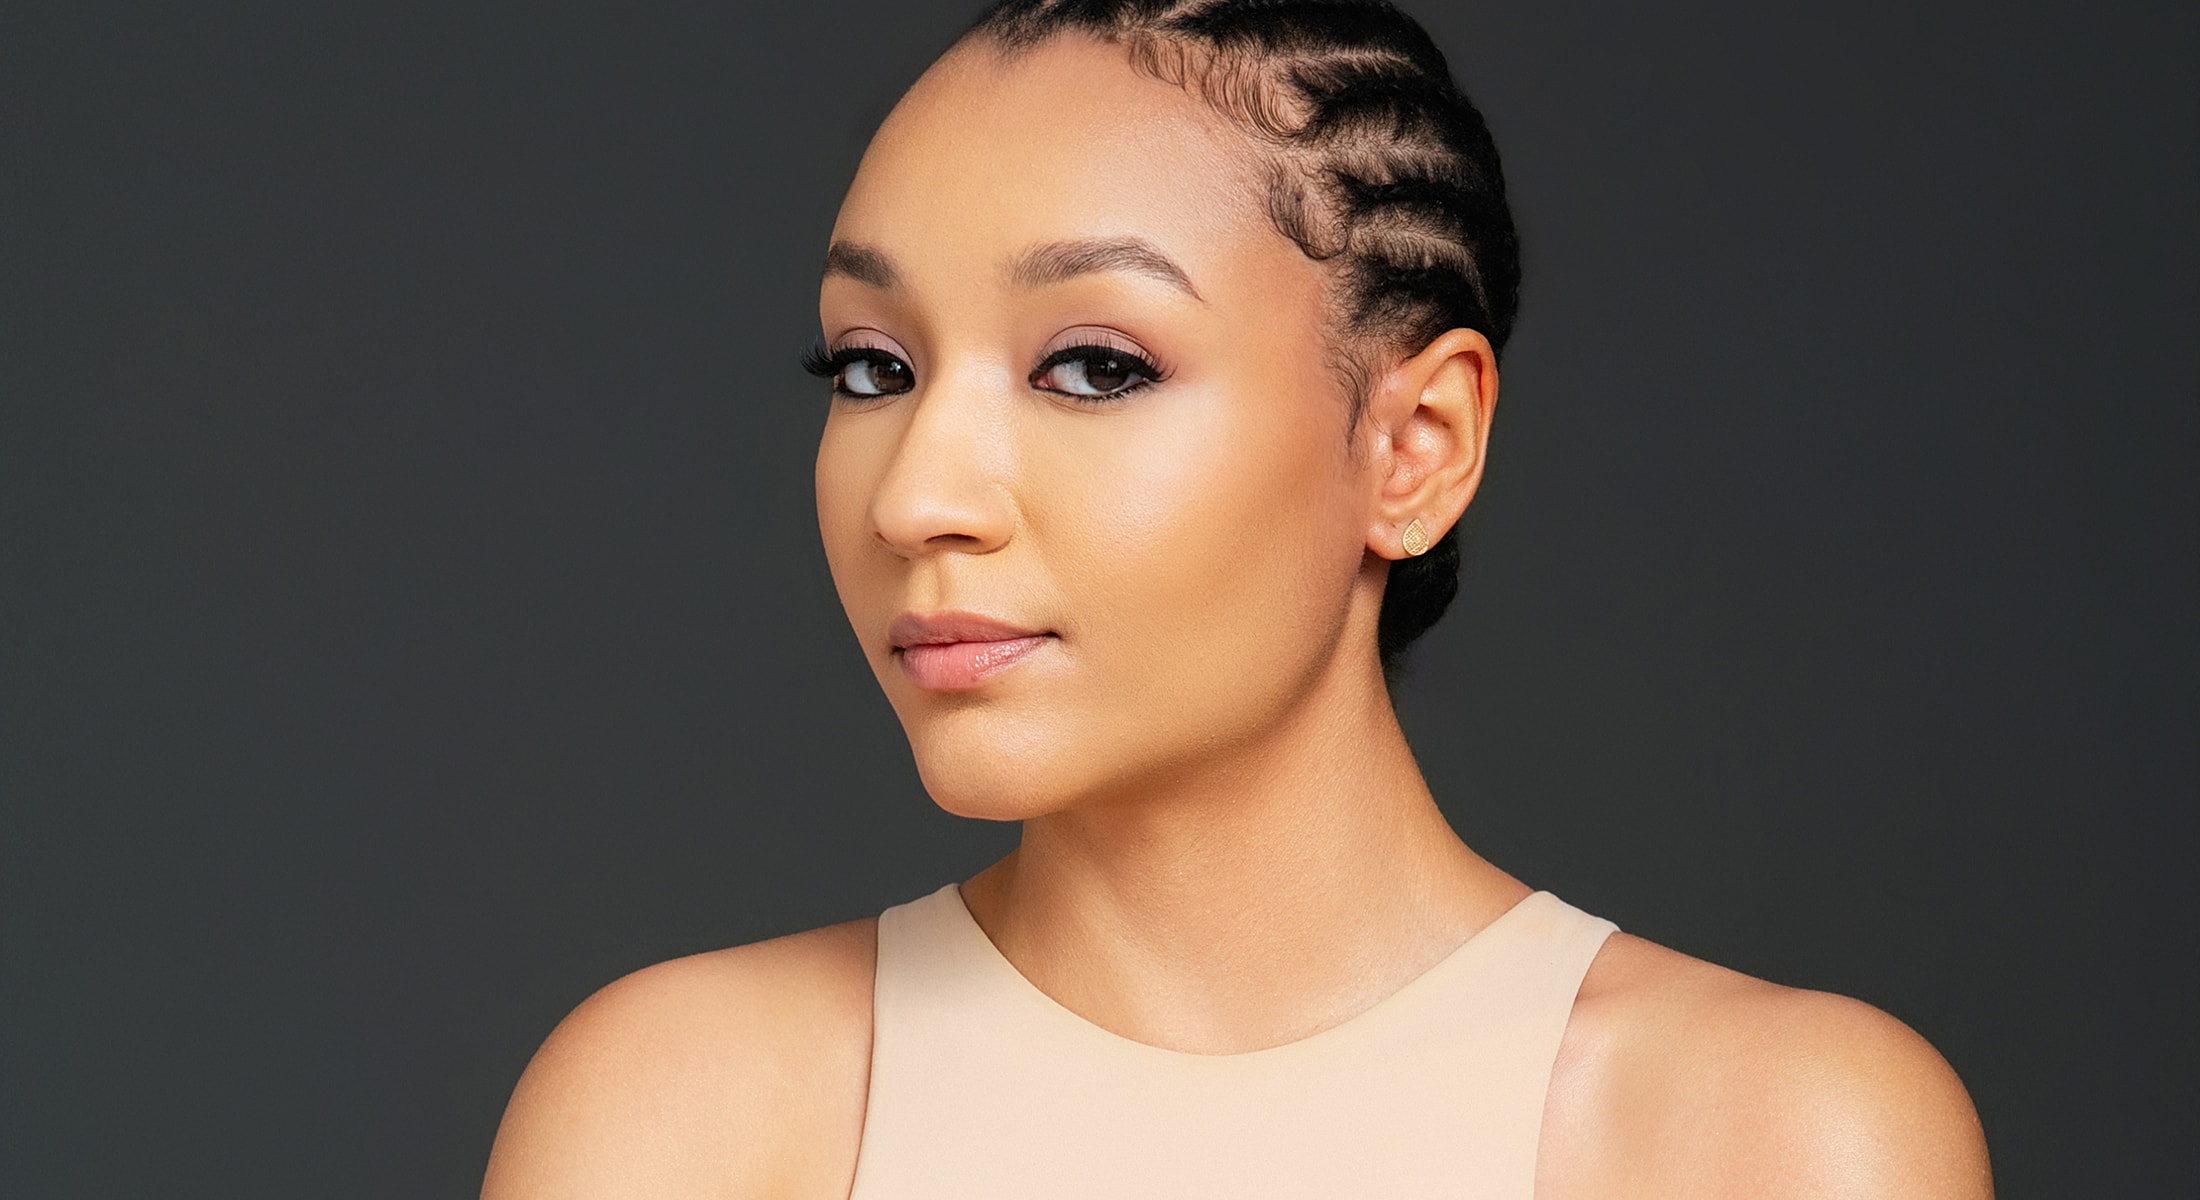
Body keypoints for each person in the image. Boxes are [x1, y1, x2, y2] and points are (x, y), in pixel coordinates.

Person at [482, 1, 1992, 1195]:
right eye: (873, 366)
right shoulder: (674, 1119)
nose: (915, 496)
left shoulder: (1770, 1144)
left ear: (1415, 445)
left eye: (1095, 367)